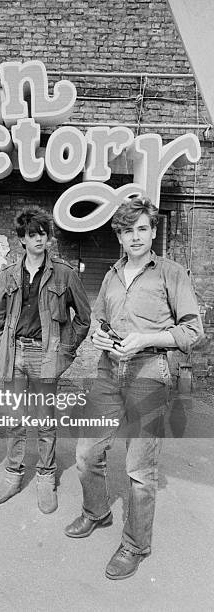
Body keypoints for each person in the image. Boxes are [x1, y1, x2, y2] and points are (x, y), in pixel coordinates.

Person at [64, 196, 204, 580]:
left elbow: (193, 330)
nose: (136, 236)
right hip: (109, 372)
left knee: (140, 469)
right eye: (128, 230)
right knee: (86, 453)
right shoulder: (111, 275)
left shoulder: (172, 273)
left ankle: (135, 545)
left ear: (153, 232)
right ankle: (97, 512)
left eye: (143, 228)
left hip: (149, 372)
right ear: (120, 237)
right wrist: (102, 339)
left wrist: (145, 339)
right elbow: (98, 321)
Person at [0, 207, 91, 513]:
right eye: (33, 234)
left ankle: (46, 477)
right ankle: (13, 475)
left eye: (43, 233)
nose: (40, 240)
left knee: (44, 420)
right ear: (22, 239)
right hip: (13, 352)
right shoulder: (8, 274)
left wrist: (64, 354)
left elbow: (83, 319)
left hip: (45, 355)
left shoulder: (64, 273)